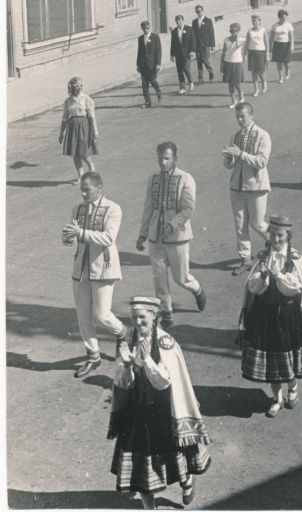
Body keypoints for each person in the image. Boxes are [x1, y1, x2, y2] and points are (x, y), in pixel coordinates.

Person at [108, 296, 211, 509]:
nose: (137, 322)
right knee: (142, 472)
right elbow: (123, 382)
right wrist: (127, 366)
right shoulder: (129, 342)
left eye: (142, 317)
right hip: (137, 412)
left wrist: (146, 361)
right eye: (134, 318)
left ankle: (187, 483)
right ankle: (149, 507)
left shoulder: (166, 343)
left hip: (163, 413)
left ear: (154, 317)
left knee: (175, 460)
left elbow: (164, 382)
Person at [238, 216, 302, 417]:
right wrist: (264, 277)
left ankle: (293, 387)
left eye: (280, 235)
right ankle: (276, 398)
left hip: (287, 315)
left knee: (288, 356)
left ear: (287, 236)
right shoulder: (262, 256)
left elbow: (297, 287)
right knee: (271, 360)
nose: (276, 239)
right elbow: (251, 286)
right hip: (265, 314)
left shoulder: (294, 258)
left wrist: (278, 275)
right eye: (273, 234)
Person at [61, 171, 127, 378]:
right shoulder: (77, 209)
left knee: (102, 314)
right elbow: (73, 238)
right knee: (83, 315)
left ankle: (122, 333)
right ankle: (93, 355)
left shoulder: (113, 209)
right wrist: (68, 238)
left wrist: (80, 233)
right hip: (81, 269)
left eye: (87, 189)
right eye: (81, 188)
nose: (83, 193)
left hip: (104, 267)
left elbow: (108, 237)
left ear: (99, 188)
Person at [136, 142, 206, 329]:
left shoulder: (186, 179)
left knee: (181, 278)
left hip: (178, 237)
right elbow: (148, 207)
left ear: (175, 158)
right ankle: (167, 312)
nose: (163, 162)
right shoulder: (153, 179)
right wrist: (142, 234)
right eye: (160, 158)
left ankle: (197, 290)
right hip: (155, 237)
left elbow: (188, 208)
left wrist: (173, 224)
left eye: (167, 158)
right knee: (159, 278)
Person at [222, 102, 271, 276]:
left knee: (257, 223)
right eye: (237, 117)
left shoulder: (263, 135)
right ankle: (245, 260)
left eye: (243, 116)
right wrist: (229, 158)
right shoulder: (235, 136)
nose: (240, 120)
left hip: (256, 186)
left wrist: (240, 154)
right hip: (237, 186)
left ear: (252, 115)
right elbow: (229, 165)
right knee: (240, 225)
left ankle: (277, 244)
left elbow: (262, 161)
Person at [59, 77, 99, 185]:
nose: (79, 88)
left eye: (81, 85)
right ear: (71, 87)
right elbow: (65, 118)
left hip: (84, 127)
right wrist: (61, 133)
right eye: (77, 85)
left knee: (85, 154)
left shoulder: (87, 99)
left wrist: (95, 130)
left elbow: (91, 116)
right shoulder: (68, 101)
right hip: (72, 128)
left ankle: (92, 176)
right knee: (75, 155)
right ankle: (81, 177)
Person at [137, 21, 162, 108]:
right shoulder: (140, 38)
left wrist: (158, 64)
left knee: (152, 80)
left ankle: (159, 93)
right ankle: (148, 102)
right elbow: (139, 52)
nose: (146, 30)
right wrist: (138, 65)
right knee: (144, 84)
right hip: (143, 64)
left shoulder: (155, 37)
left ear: (149, 27)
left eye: (147, 28)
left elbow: (158, 51)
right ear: (142, 29)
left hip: (152, 64)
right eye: (144, 28)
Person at [221, 22, 246, 108]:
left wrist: (237, 38)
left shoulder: (242, 39)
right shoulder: (226, 40)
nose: (233, 32)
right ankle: (233, 101)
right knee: (230, 83)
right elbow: (223, 53)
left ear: (238, 31)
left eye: (235, 31)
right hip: (228, 62)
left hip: (237, 62)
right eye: (231, 31)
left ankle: (240, 94)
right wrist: (222, 64)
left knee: (237, 83)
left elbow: (239, 45)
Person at [170, 15, 195, 95]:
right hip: (178, 53)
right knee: (180, 71)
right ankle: (182, 88)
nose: (178, 22)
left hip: (187, 53)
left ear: (182, 20)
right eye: (176, 20)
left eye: (179, 20)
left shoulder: (189, 29)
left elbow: (193, 41)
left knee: (186, 68)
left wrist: (192, 51)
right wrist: (172, 54)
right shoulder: (174, 31)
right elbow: (173, 44)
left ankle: (191, 81)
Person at [245, 15, 269, 97]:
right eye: (253, 21)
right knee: (253, 72)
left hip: (261, 52)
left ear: (259, 21)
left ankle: (264, 82)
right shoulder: (249, 31)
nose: (254, 22)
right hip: (251, 53)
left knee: (260, 72)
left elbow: (266, 43)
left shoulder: (263, 30)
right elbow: (247, 43)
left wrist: (267, 54)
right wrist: (244, 54)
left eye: (255, 21)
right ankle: (256, 90)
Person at [269, 9, 294, 83]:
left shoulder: (288, 25)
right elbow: (271, 37)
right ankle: (280, 77)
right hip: (277, 44)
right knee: (279, 62)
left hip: (286, 44)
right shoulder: (274, 26)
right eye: (283, 18)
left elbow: (291, 36)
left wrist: (292, 45)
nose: (285, 19)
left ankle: (287, 71)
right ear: (279, 18)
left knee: (286, 62)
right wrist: (270, 45)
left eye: (285, 18)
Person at [191, 6, 215, 84]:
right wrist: (193, 46)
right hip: (198, 45)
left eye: (199, 11)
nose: (198, 13)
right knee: (199, 62)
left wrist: (213, 45)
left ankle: (211, 71)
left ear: (202, 11)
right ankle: (200, 79)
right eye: (197, 12)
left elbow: (211, 33)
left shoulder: (208, 21)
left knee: (205, 59)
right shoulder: (194, 22)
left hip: (206, 44)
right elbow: (193, 34)